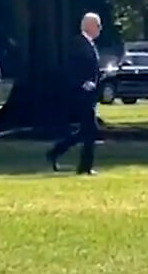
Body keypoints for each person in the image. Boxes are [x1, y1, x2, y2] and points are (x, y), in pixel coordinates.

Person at [46, 12, 103, 175]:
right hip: (80, 95)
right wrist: (82, 83)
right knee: (91, 130)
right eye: (98, 25)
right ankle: (84, 167)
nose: (100, 29)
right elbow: (70, 68)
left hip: (89, 95)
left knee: (86, 131)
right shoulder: (78, 44)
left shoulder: (90, 44)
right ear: (90, 26)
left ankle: (55, 152)